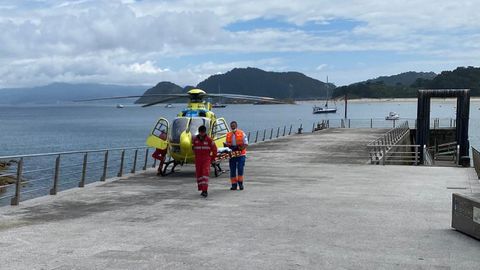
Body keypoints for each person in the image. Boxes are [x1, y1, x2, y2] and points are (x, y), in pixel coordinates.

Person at [192, 125, 217, 197]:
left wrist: (212, 158)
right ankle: (202, 189)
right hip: (198, 160)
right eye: (200, 132)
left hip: (206, 159)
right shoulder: (195, 139)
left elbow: (214, 149)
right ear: (199, 132)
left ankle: (205, 190)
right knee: (199, 175)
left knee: (205, 174)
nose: (201, 134)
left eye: (203, 132)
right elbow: (193, 148)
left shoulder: (209, 139)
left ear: (205, 132)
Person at [225, 121, 248, 190]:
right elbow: (227, 144)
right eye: (231, 126)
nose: (233, 127)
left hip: (241, 154)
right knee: (232, 170)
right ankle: (234, 185)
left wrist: (240, 149)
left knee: (240, 169)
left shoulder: (242, 133)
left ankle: (240, 184)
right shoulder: (228, 134)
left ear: (236, 126)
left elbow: (246, 143)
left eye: (234, 126)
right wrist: (228, 147)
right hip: (232, 154)